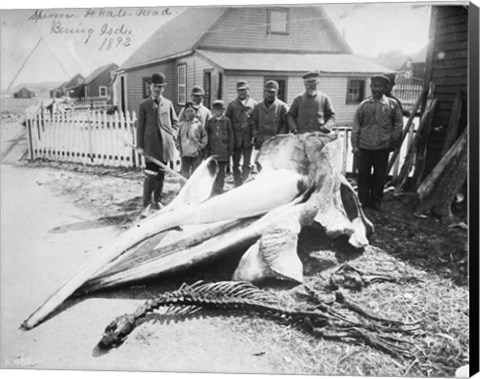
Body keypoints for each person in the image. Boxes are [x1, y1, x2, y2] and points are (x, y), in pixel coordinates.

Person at [351, 74, 404, 211]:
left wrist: (392, 140)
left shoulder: (392, 105)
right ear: (371, 87)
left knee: (380, 176)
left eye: (380, 86)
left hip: (382, 147)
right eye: (374, 86)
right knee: (363, 175)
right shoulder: (363, 105)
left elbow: (398, 124)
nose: (377, 89)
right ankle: (363, 201)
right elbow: (356, 126)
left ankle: (376, 201)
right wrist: (355, 145)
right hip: (364, 147)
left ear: (386, 88)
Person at [137, 72, 178, 210]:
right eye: (155, 86)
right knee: (150, 176)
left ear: (163, 88)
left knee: (161, 174)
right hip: (151, 146)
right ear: (150, 87)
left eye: (160, 86)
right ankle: (147, 204)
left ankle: (157, 201)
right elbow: (140, 127)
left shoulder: (168, 103)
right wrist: (140, 146)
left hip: (164, 146)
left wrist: (172, 135)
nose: (157, 89)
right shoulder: (144, 105)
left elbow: (175, 122)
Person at [226, 80, 257, 186]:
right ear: (237, 91)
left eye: (244, 90)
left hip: (248, 138)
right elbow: (227, 122)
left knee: (247, 163)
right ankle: (237, 181)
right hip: (236, 138)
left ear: (248, 90)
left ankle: (245, 181)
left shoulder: (254, 104)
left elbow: (255, 122)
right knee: (236, 162)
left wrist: (254, 135)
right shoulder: (232, 105)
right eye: (240, 91)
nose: (242, 93)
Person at [205, 100, 234, 194]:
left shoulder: (227, 121)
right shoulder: (210, 122)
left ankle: (220, 189)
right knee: (212, 172)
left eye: (220, 110)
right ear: (213, 110)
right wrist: (207, 153)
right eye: (216, 110)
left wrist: (230, 150)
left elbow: (231, 136)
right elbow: (206, 137)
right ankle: (213, 189)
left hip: (223, 151)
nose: (218, 112)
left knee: (221, 172)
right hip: (212, 152)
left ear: (223, 110)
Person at [251, 80, 289, 150]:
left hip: (276, 142)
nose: (269, 94)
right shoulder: (258, 106)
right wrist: (256, 135)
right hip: (261, 141)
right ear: (264, 92)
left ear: (277, 92)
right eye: (267, 92)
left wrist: (279, 137)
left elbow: (286, 124)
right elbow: (253, 122)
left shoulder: (282, 106)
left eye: (272, 92)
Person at [176, 101, 208, 179]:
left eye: (191, 111)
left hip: (196, 154)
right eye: (188, 111)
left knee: (195, 175)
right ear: (185, 113)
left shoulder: (199, 124)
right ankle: (184, 189)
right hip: (185, 154)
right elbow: (178, 138)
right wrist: (179, 147)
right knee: (185, 174)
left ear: (195, 112)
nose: (190, 113)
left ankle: (195, 190)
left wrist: (200, 146)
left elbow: (204, 136)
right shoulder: (182, 125)